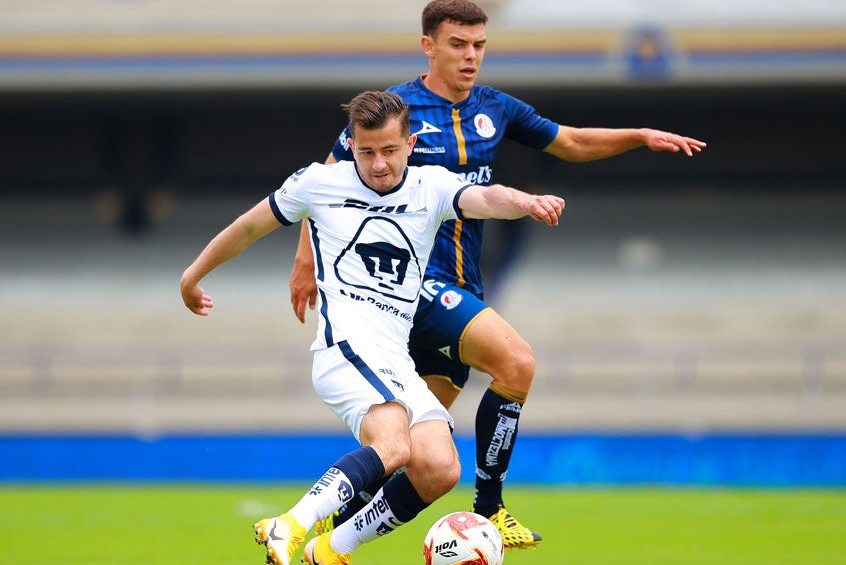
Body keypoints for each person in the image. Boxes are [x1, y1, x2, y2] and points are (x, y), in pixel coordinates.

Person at [288, 0, 707, 550]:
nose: (471, 56)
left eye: (479, 45)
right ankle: (491, 508)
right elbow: (325, 183)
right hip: (414, 284)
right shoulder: (395, 111)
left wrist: (639, 135)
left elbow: (572, 142)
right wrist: (305, 261)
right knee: (517, 361)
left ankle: (327, 539)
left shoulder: (496, 108)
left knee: (418, 454)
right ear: (428, 46)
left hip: (465, 286)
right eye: (458, 44)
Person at [181, 91, 564, 565]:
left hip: (394, 358)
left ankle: (331, 549)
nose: (378, 164)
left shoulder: (430, 186)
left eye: (389, 150)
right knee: (393, 445)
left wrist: (526, 201)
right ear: (352, 146)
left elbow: (487, 198)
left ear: (409, 144)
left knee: (440, 467)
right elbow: (247, 228)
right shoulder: (318, 182)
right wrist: (192, 276)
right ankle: (292, 523)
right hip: (345, 347)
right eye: (366, 152)